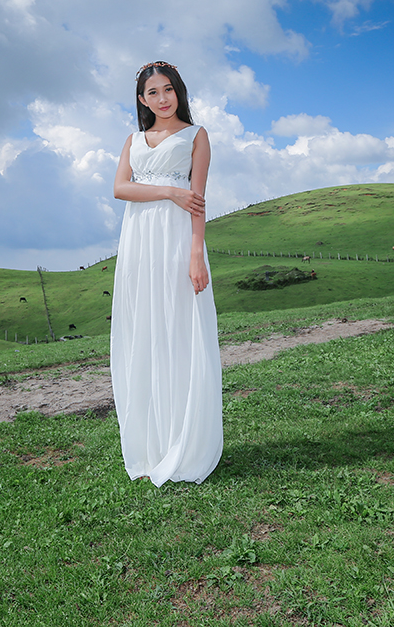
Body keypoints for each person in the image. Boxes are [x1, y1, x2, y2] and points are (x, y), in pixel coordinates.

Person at [110, 61, 223, 486]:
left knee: (179, 331)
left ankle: (185, 441)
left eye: (168, 89)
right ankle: (151, 444)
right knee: (145, 330)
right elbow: (121, 188)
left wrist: (197, 254)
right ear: (142, 99)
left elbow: (198, 201)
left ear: (180, 92)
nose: (162, 98)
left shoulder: (197, 136)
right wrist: (168, 190)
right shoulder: (134, 140)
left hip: (177, 240)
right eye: (153, 92)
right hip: (139, 242)